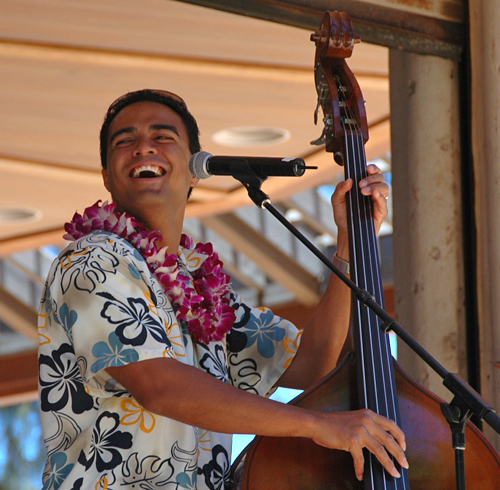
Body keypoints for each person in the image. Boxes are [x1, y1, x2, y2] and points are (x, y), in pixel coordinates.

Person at [38, 89, 408, 490]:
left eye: (163, 136)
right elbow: (160, 386)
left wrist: (349, 249)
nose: (144, 147)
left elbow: (311, 364)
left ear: (196, 169)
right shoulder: (92, 259)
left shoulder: (200, 288)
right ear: (108, 175)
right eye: (125, 141)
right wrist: (317, 426)